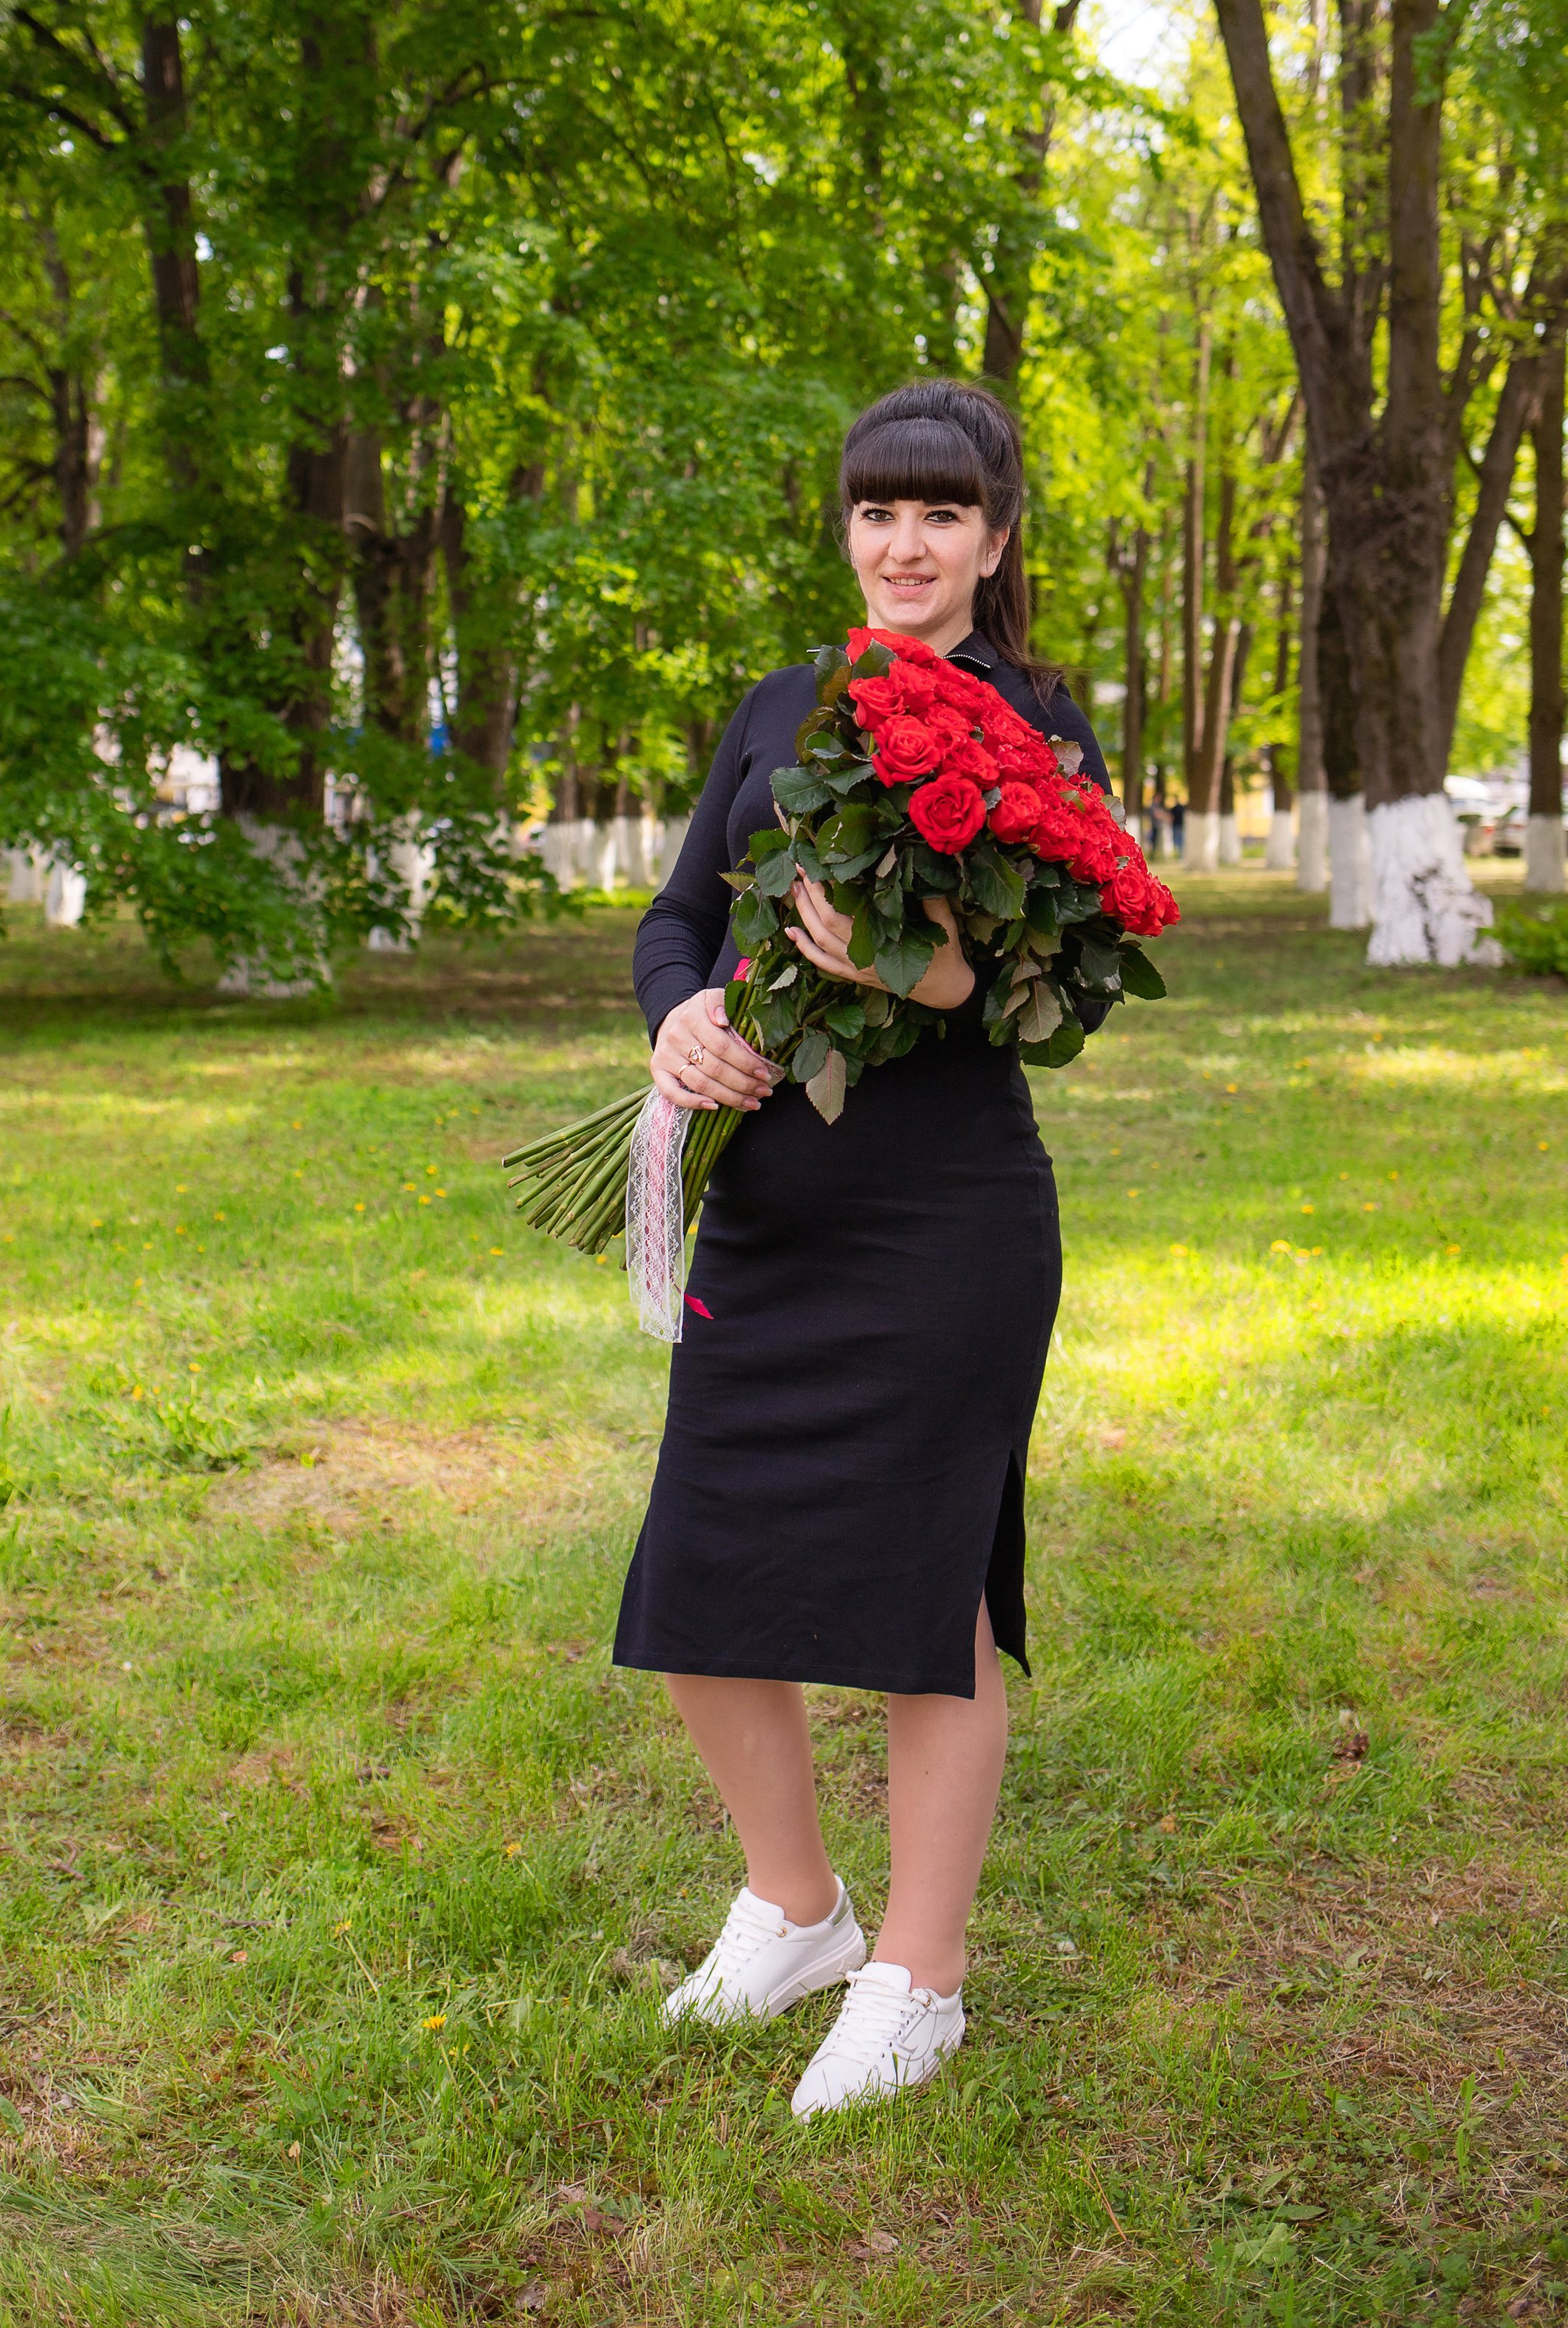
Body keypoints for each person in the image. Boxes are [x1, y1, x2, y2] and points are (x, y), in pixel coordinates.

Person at [620, 378, 1110, 2118]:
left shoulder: (1038, 733)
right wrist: (682, 1018)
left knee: (930, 1609)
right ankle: (795, 1909)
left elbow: (1055, 996)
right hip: (764, 1214)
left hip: (944, 1225)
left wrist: (906, 968)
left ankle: (921, 1974)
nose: (902, 544)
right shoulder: (779, 706)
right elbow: (679, 911)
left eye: (939, 514)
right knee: (698, 1575)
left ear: (993, 537)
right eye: (874, 511)